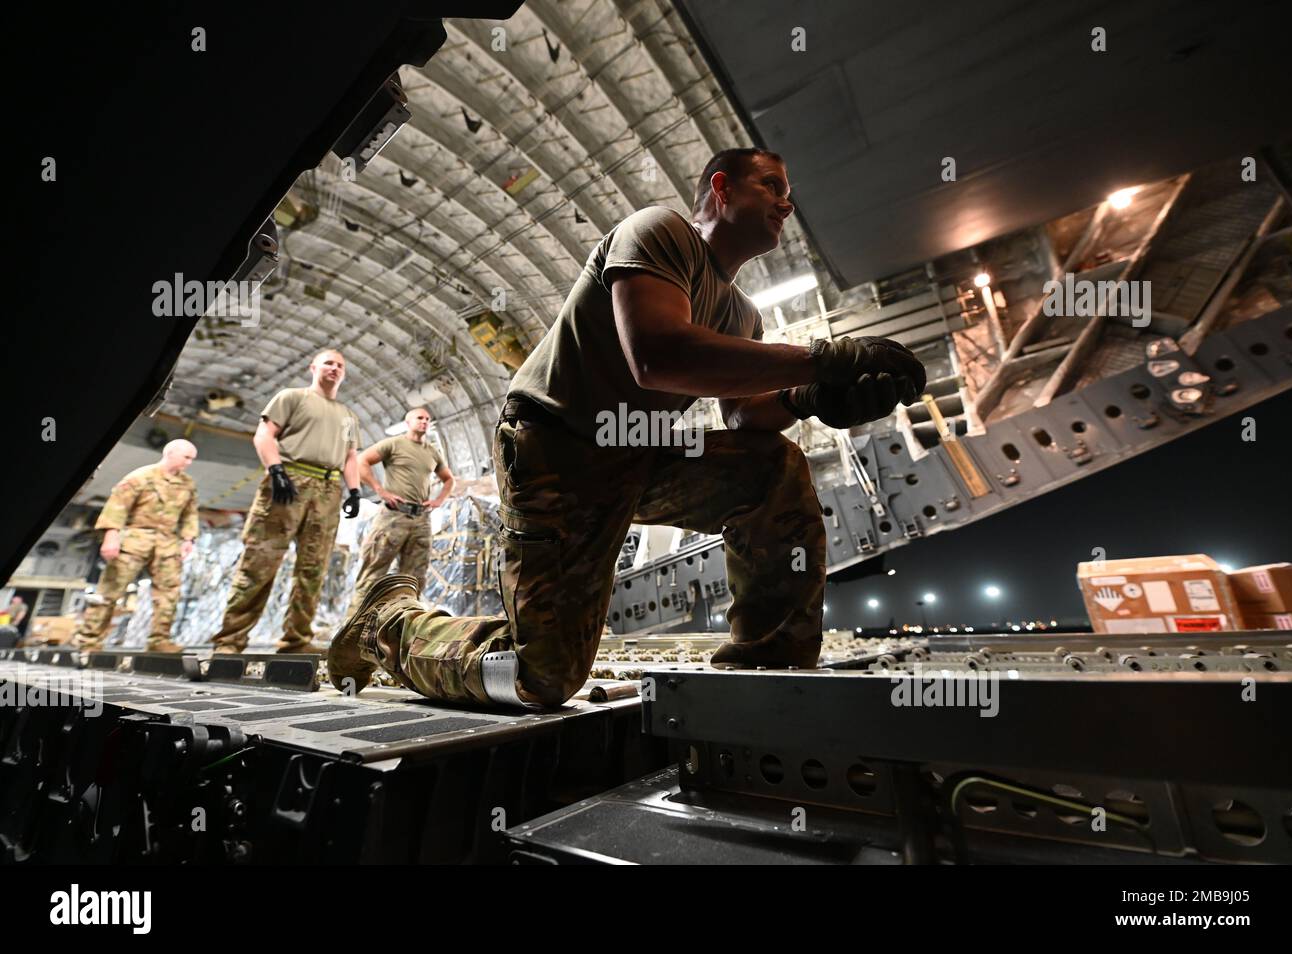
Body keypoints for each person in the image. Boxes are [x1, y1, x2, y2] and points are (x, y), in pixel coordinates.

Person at [327, 148, 925, 708]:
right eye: (771, 186)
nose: (786, 203)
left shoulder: (742, 313)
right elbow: (657, 356)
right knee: (542, 676)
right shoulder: (660, 232)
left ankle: (768, 674)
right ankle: (387, 621)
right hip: (555, 449)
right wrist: (826, 357)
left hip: (639, 452)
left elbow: (745, 417)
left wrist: (809, 397)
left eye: (787, 193)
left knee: (774, 467)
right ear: (720, 188)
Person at [211, 349, 363, 654]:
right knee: (261, 561)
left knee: (313, 569)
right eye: (328, 363)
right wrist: (276, 470)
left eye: (340, 366)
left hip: (328, 489)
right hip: (289, 480)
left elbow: (349, 456)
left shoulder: (348, 416)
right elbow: (264, 434)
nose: (334, 368)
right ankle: (230, 641)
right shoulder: (292, 397)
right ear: (313, 368)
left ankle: (296, 641)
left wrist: (355, 490)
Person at [74, 439, 199, 652]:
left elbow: (189, 514)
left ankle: (159, 640)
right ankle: (89, 640)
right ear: (170, 453)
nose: (189, 463)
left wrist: (188, 539)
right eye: (186, 457)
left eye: (192, 459)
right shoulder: (140, 477)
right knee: (110, 590)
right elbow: (117, 506)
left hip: (167, 543)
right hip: (134, 539)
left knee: (169, 593)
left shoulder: (187, 484)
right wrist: (111, 536)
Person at [345, 407, 454, 615]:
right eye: (419, 418)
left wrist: (439, 499)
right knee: (373, 572)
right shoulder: (394, 444)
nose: (424, 421)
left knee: (413, 579)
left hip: (421, 519)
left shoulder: (432, 452)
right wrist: (380, 491)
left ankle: (399, 627)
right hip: (393, 516)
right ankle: (353, 626)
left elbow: (449, 479)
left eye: (427, 419)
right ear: (408, 422)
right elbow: (361, 461)